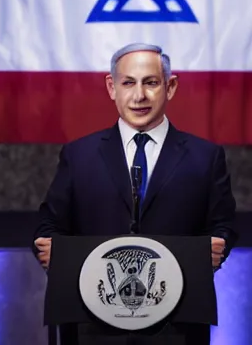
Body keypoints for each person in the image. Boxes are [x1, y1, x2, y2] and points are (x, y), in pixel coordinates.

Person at [33, 43, 237, 344]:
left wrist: (216, 249)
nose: (139, 95)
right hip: (95, 329)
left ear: (170, 87)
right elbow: (48, 227)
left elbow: (224, 227)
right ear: (111, 87)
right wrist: (50, 250)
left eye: (151, 82)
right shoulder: (79, 155)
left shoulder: (205, 157)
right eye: (128, 82)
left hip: (177, 328)